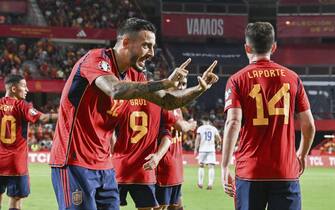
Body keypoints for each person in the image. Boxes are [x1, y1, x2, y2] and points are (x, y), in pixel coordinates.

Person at [50, 17, 218, 210]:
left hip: (104, 165)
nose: (151, 53)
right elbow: (115, 90)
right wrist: (165, 82)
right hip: (74, 161)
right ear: (126, 42)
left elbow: (167, 101)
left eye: (153, 47)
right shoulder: (96, 59)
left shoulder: (135, 75)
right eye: (146, 46)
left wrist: (199, 89)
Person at [221, 22, 315, 210]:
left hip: (250, 171)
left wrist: (224, 166)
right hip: (285, 170)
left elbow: (233, 122)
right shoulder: (292, 77)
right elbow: (309, 126)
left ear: (247, 48)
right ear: (273, 47)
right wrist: (302, 154)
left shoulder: (237, 79)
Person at [0, 74, 57, 210]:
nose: (27, 90)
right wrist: (67, 115)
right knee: (16, 200)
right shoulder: (22, 105)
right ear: (14, 88)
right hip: (16, 162)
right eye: (24, 86)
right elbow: (42, 119)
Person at [155, 78, 197, 210]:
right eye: (178, 82)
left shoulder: (177, 107)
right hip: (165, 165)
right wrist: (191, 125)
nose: (181, 86)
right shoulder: (166, 105)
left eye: (184, 83)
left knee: (177, 207)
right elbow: (182, 127)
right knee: (161, 207)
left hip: (175, 166)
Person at [194, 115, 221, 190]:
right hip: (211, 149)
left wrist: (195, 149)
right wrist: (218, 145)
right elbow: (218, 138)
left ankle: (200, 183)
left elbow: (197, 139)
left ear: (203, 121)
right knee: (211, 167)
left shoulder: (200, 128)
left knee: (201, 165)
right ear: (209, 121)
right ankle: (210, 184)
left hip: (202, 149)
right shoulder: (213, 128)